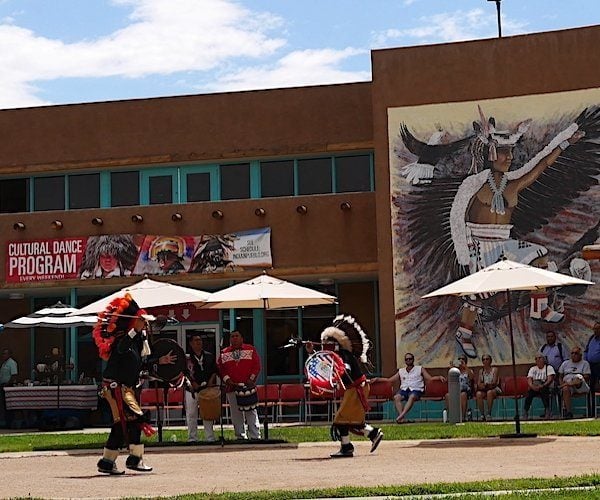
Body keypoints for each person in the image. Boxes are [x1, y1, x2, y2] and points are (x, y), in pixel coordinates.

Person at [93, 293, 176, 474]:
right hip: (117, 388)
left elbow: (140, 364)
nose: (146, 325)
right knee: (137, 420)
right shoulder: (123, 340)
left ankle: (107, 462)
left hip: (124, 389)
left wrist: (160, 361)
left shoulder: (136, 343)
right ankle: (135, 459)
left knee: (122, 424)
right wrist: (135, 330)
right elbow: (122, 348)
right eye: (143, 322)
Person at [308, 314, 383, 458]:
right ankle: (372, 434)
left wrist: (338, 374)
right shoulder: (336, 356)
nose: (325, 347)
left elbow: (345, 369)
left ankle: (348, 447)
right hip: (355, 389)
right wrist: (311, 351)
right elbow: (322, 364)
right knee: (351, 420)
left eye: (327, 344)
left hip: (357, 389)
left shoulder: (343, 355)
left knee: (341, 419)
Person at [372, 352, 445, 424]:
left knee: (412, 396)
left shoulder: (419, 369)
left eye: (410, 359)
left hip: (416, 390)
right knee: (396, 397)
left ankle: (401, 415)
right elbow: (390, 380)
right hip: (404, 390)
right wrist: (378, 379)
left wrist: (439, 377)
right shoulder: (401, 371)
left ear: (413, 360)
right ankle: (402, 418)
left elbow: (429, 378)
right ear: (405, 361)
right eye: (406, 359)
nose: (408, 360)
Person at [217, 331, 261, 440]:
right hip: (232, 388)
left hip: (248, 387)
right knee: (236, 414)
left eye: (237, 336)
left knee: (251, 412)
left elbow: (257, 365)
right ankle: (240, 436)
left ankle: (255, 436)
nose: (235, 338)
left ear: (242, 338)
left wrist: (251, 379)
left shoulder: (250, 349)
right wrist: (228, 381)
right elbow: (221, 369)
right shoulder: (224, 353)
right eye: (232, 336)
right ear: (229, 339)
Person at [184, 334, 218, 442]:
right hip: (192, 390)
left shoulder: (209, 356)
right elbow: (185, 373)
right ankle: (192, 438)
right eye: (196, 340)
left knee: (207, 413)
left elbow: (214, 371)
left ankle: (210, 437)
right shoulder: (187, 358)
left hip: (206, 389)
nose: (199, 342)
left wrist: (210, 382)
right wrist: (192, 383)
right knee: (191, 414)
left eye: (200, 340)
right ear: (191, 343)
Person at [559, 346, 591, 419]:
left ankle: (565, 384)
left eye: (576, 353)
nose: (574, 355)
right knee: (565, 389)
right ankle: (569, 412)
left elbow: (586, 376)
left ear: (580, 355)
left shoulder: (585, 363)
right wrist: (562, 384)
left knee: (578, 377)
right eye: (572, 353)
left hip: (581, 385)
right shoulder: (565, 363)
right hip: (568, 386)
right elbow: (560, 376)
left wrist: (574, 380)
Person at [523, 354, 555, 420]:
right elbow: (529, 379)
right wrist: (532, 386)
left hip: (545, 386)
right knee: (529, 393)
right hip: (535, 387)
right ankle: (525, 411)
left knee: (544, 391)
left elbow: (550, 379)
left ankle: (547, 410)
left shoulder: (549, 368)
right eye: (536, 359)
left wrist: (542, 385)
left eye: (539, 358)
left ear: (544, 359)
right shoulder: (532, 369)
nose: (538, 360)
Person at [445, 355, 475, 420]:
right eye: (459, 359)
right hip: (455, 390)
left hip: (465, 391)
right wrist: (451, 369)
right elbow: (447, 380)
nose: (461, 360)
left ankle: (463, 417)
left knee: (463, 395)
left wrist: (465, 366)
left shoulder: (468, 370)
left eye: (463, 359)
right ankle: (452, 416)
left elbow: (472, 377)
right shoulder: (454, 371)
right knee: (447, 395)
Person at [474, 354, 501, 421]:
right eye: (483, 359)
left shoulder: (495, 369)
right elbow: (479, 383)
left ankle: (489, 414)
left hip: (494, 388)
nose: (485, 361)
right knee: (478, 394)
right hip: (484, 389)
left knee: (489, 393)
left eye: (487, 359)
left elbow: (494, 382)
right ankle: (482, 415)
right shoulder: (481, 371)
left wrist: (488, 385)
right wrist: (482, 385)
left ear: (490, 361)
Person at [584, 320, 600, 417]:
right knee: (591, 388)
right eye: (595, 329)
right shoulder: (591, 338)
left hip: (599, 366)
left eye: (598, 329)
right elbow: (586, 351)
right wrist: (586, 362)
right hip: (590, 366)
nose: (596, 331)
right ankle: (592, 411)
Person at [0, 348, 18, 428]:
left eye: (5, 354)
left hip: (8, 386)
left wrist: (7, 384)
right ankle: (6, 422)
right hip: (3, 385)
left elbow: (14, 375)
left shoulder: (11, 363)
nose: (3, 355)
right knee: (4, 405)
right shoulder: (4, 363)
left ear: (9, 354)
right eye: (3, 354)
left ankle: (10, 423)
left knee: (9, 406)